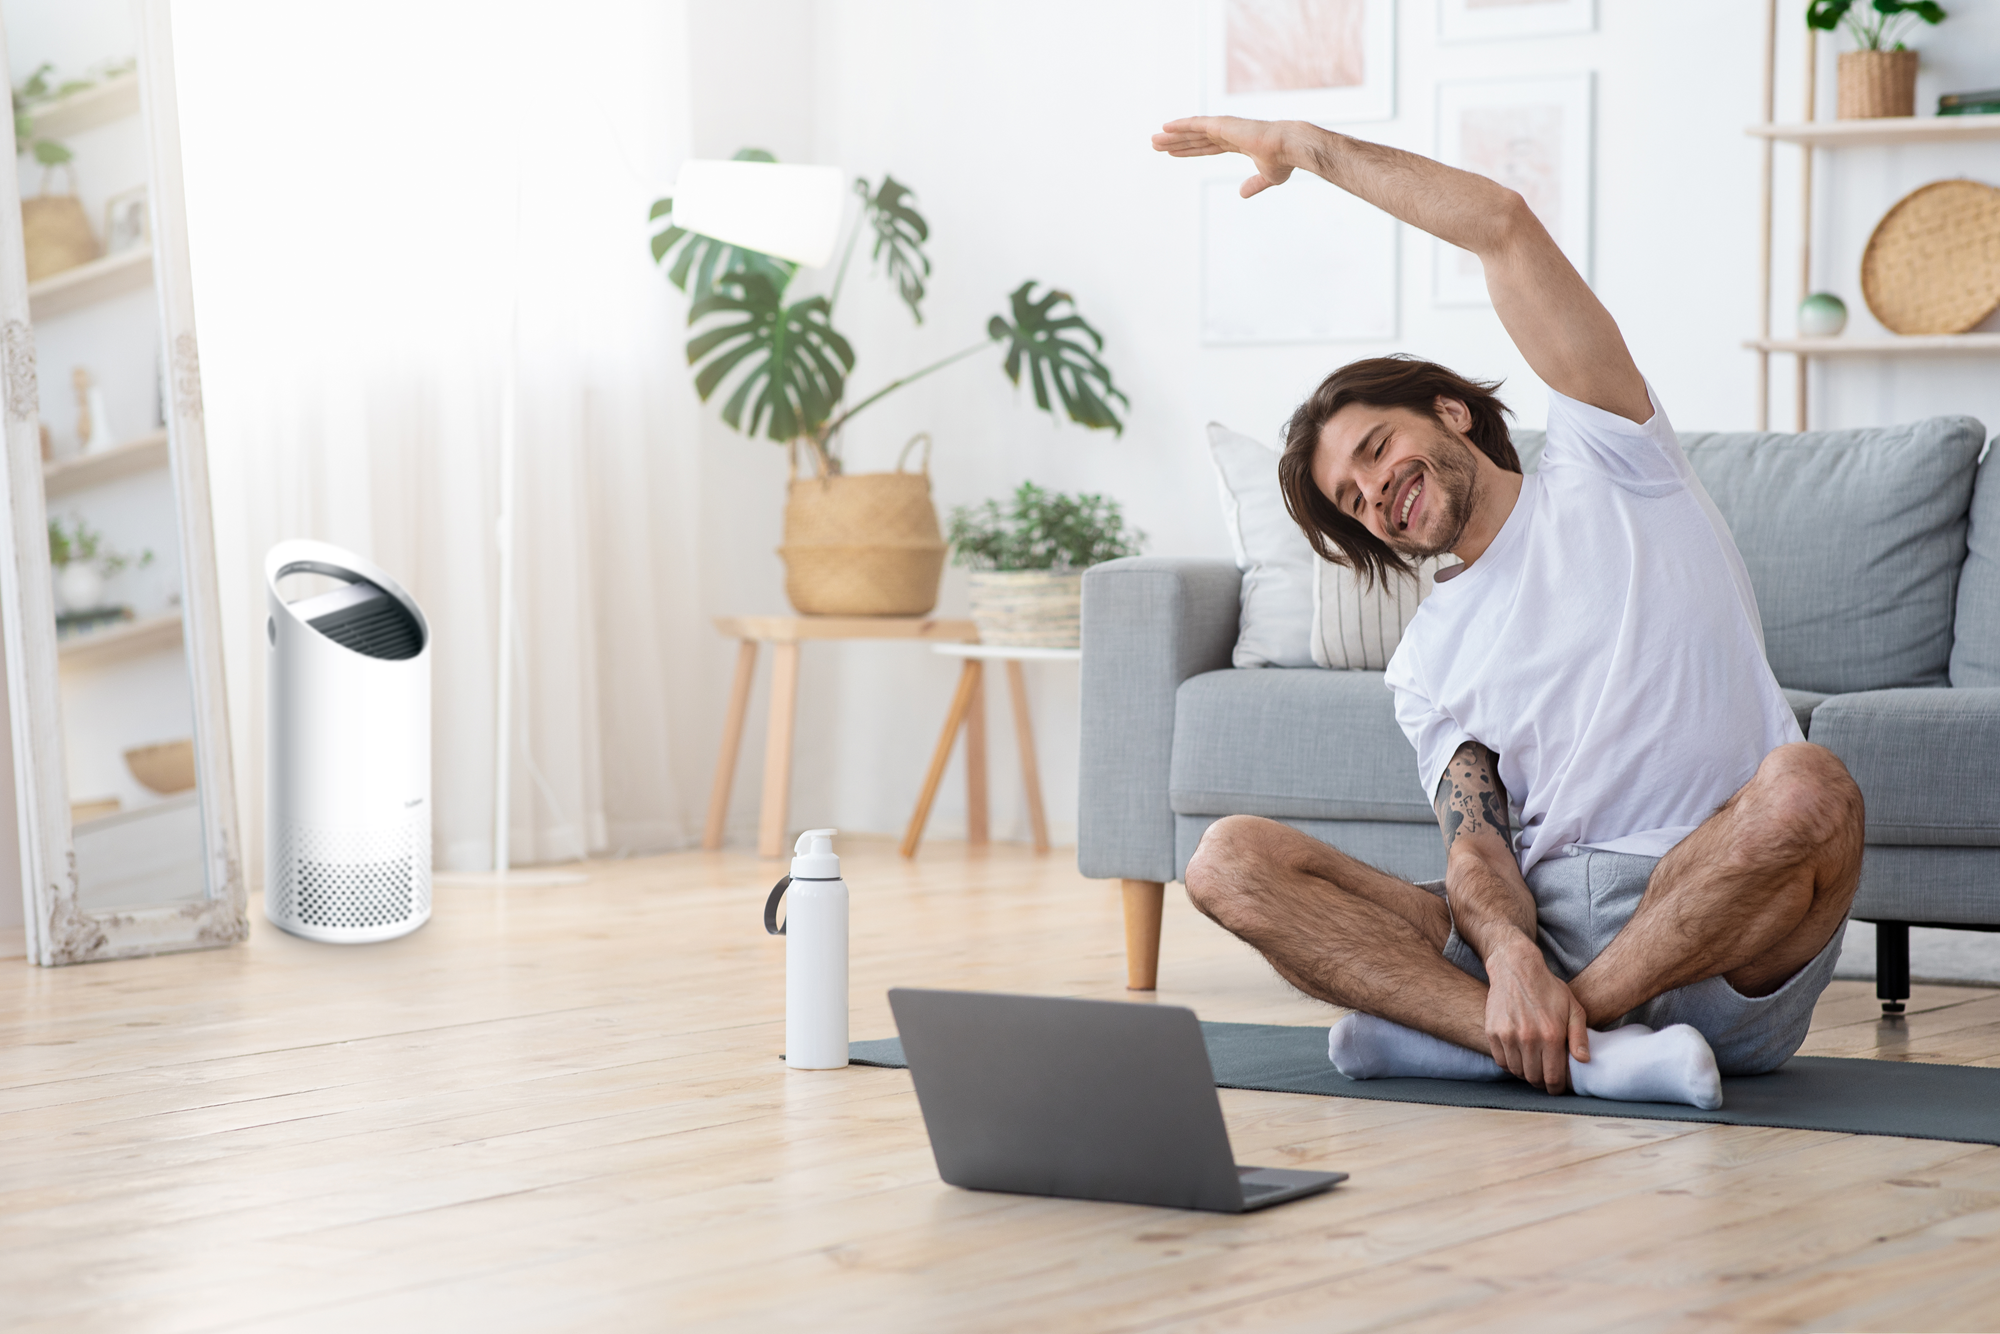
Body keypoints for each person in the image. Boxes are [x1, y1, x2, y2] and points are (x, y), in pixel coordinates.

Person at [1151, 115, 1864, 1109]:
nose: (1373, 492)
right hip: (1534, 933)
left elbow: (1500, 225)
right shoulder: (1426, 660)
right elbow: (1477, 847)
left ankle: (1531, 1035)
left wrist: (1305, 148)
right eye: (1351, 502)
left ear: (1446, 409)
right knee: (1225, 858)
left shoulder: (1612, 453)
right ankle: (1559, 1042)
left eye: (1371, 451)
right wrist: (1508, 954)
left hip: (1710, 926)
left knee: (1806, 787)